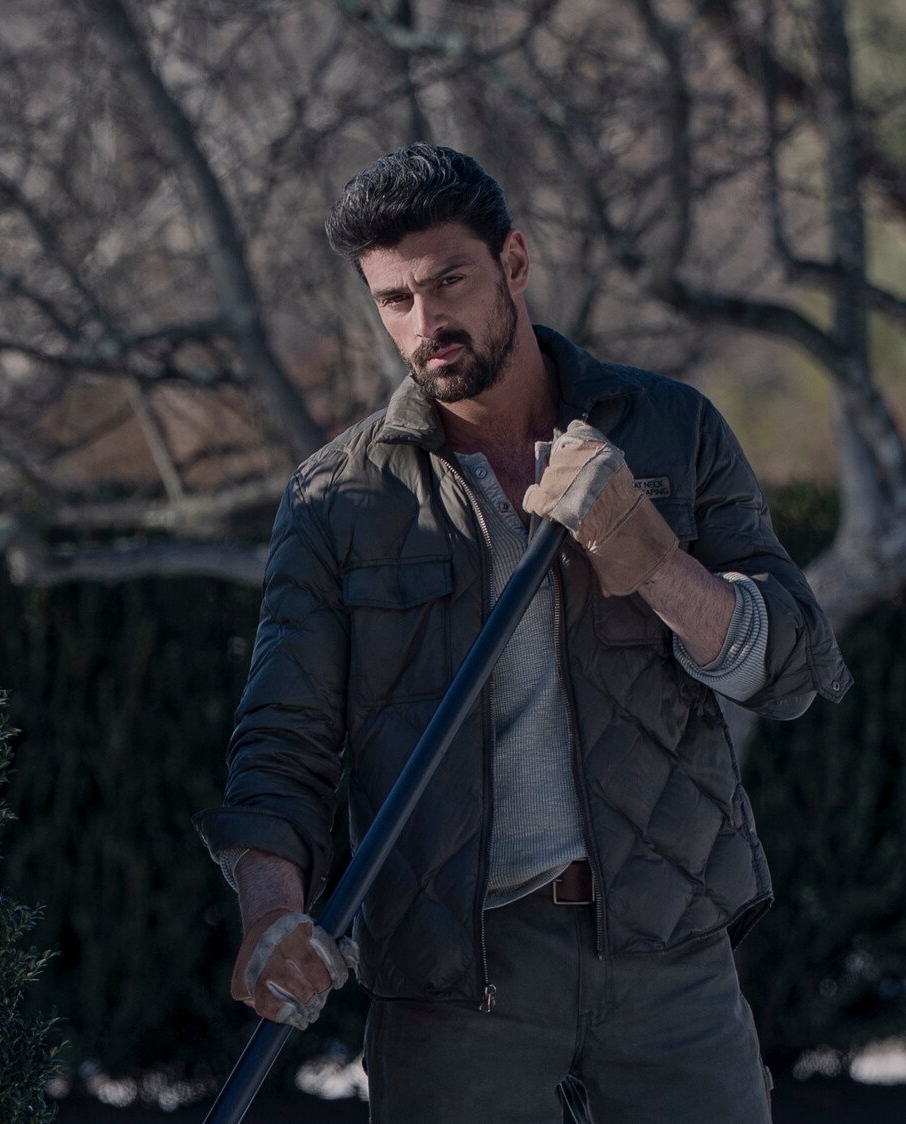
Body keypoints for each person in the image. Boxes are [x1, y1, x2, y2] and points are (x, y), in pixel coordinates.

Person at [195, 143, 851, 1123]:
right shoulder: (341, 499)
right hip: (454, 978)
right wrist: (271, 913)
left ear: (514, 261)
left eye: (447, 283)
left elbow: (793, 665)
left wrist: (655, 561)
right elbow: (282, 743)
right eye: (394, 301)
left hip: (665, 945)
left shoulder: (668, 430)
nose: (426, 325)